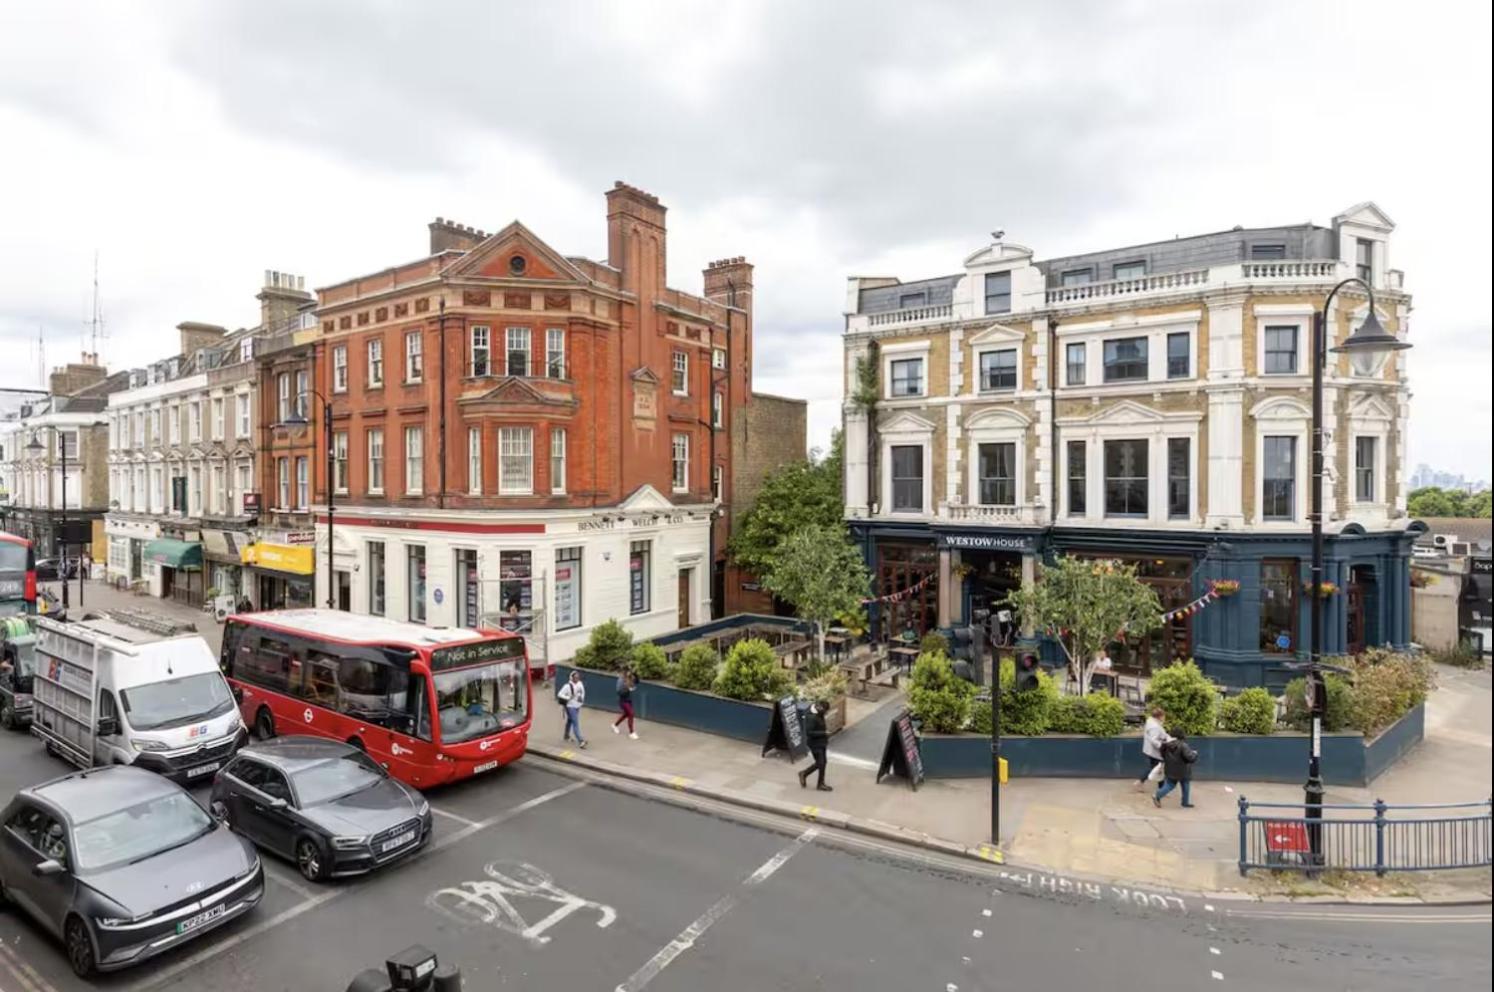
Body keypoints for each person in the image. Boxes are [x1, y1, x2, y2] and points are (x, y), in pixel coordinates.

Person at [797, 700, 833, 792]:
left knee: (823, 763)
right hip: (815, 744)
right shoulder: (811, 717)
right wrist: (823, 733)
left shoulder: (818, 713)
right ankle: (807, 775)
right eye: (825, 710)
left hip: (822, 742)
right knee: (820, 762)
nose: (826, 712)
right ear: (820, 708)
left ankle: (818, 782)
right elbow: (809, 732)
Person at [1154, 734, 1197, 808]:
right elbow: (1190, 758)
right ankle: (1185, 802)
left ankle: (1157, 795)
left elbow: (1163, 755)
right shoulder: (1183, 745)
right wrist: (1194, 754)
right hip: (1183, 769)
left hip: (1170, 769)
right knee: (1185, 784)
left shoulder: (1166, 745)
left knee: (1170, 785)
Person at [1136, 706, 1171, 791]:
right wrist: (1162, 745)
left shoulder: (1151, 722)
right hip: (1155, 752)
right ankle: (1161, 789)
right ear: (1159, 716)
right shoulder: (1154, 726)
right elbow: (1154, 740)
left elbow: (1161, 734)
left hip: (1151, 750)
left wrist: (1168, 737)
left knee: (1155, 768)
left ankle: (1140, 782)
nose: (1164, 717)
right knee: (1159, 768)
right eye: (1163, 716)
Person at [557, 671, 587, 748]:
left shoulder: (580, 683)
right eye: (575, 677)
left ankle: (566, 736)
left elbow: (582, 692)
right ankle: (581, 740)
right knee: (575, 722)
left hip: (577, 705)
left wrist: (581, 699)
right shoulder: (567, 686)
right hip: (570, 706)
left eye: (578, 677)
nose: (577, 678)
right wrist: (568, 698)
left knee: (570, 720)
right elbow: (559, 694)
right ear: (571, 678)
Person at [613, 668, 638, 739]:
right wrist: (628, 689)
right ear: (624, 672)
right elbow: (619, 691)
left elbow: (637, 681)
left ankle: (615, 725)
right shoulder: (620, 680)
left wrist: (635, 674)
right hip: (623, 701)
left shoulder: (630, 678)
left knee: (626, 714)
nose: (629, 673)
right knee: (631, 714)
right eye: (628, 672)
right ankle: (631, 732)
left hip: (629, 700)